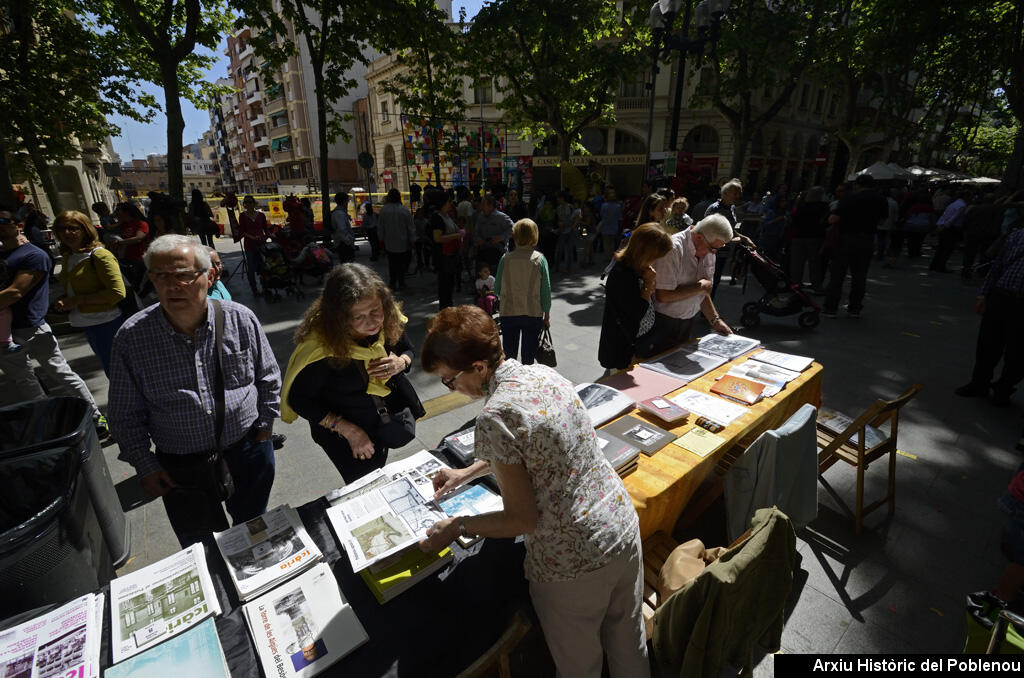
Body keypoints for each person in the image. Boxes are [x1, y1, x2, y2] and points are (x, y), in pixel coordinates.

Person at [419, 305, 650, 678]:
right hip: (621, 528)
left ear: (478, 367)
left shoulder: (494, 416)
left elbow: (522, 519)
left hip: (573, 562)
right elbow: (535, 446)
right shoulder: (542, 374)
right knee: (628, 639)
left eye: (449, 380)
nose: (452, 389)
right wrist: (468, 471)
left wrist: (458, 525)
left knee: (580, 666)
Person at [108, 234, 281, 547]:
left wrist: (266, 426)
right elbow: (123, 415)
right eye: (161, 276)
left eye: (184, 276)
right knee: (201, 545)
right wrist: (145, 465)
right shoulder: (132, 338)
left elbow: (268, 376)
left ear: (210, 275)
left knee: (254, 527)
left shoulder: (240, 319)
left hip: (247, 449)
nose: (173, 286)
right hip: (181, 467)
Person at [280, 264, 424, 483]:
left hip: (382, 421)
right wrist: (348, 431)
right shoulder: (320, 347)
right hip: (345, 436)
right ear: (339, 318)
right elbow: (300, 400)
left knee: (379, 474)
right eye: (359, 317)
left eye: (376, 310)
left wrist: (401, 362)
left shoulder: (388, 318)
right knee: (365, 484)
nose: (372, 321)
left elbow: (407, 349)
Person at [0, 206, 108, 436]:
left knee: (60, 373)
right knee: (24, 382)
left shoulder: (33, 255)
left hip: (31, 327)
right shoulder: (4, 255)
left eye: (3, 220)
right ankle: (50, 425)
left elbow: (15, 292)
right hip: (4, 332)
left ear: (18, 225)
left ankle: (95, 417)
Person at [955, 226, 1024, 407]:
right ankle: (979, 384)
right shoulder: (1017, 235)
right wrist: (983, 294)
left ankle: (1004, 388)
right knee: (987, 344)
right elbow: (997, 267)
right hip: (1001, 297)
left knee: (1018, 353)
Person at [648, 214, 735, 356]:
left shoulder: (709, 248)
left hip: (687, 321)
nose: (713, 253)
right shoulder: (673, 249)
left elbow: (703, 293)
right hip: (662, 323)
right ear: (700, 237)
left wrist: (715, 320)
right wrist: (698, 287)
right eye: (713, 248)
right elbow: (663, 295)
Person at [52, 211, 127, 375]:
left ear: (85, 229)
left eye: (72, 228)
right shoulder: (68, 256)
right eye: (61, 229)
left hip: (107, 322)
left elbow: (117, 293)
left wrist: (78, 300)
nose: (66, 233)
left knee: (119, 372)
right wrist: (65, 300)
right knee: (113, 371)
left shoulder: (100, 255)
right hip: (86, 322)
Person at [598, 223, 672, 370]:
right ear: (644, 253)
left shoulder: (638, 268)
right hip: (624, 348)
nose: (655, 262)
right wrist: (648, 283)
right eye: (654, 258)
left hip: (640, 342)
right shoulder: (622, 274)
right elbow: (636, 312)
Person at [823, 174, 887, 318]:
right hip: (867, 239)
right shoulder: (880, 199)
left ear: (857, 185)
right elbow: (882, 221)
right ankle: (855, 308)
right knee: (859, 276)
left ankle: (830, 308)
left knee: (837, 275)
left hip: (847, 238)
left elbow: (833, 219)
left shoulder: (850, 198)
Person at [495, 219, 551, 365]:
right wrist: (547, 314)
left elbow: (497, 288)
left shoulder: (505, 259)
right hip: (533, 313)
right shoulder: (540, 259)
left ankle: (511, 382)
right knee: (528, 357)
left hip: (509, 312)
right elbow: (545, 289)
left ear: (515, 236)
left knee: (510, 356)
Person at [704, 179, 743, 293]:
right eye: (735, 193)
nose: (738, 196)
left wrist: (745, 239)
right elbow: (707, 233)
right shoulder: (714, 209)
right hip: (711, 253)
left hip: (723, 253)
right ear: (725, 193)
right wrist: (731, 240)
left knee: (714, 284)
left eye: (739, 193)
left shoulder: (732, 208)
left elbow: (731, 229)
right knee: (708, 284)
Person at [789, 186, 830, 291]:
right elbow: (826, 222)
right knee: (815, 263)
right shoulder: (824, 207)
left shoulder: (802, 206)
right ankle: (816, 286)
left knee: (797, 263)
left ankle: (795, 284)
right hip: (815, 238)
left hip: (799, 237)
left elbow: (793, 220)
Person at [429, 188, 463, 309]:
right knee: (445, 289)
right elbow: (437, 238)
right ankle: (445, 313)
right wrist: (457, 235)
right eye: (448, 201)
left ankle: (448, 311)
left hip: (451, 256)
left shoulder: (446, 216)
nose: (450, 203)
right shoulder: (437, 218)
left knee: (449, 288)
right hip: (444, 258)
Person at [378, 188, 416, 290]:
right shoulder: (404, 210)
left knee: (392, 263)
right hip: (403, 242)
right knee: (401, 264)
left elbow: (380, 227)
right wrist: (412, 240)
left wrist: (381, 241)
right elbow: (410, 227)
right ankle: (401, 282)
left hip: (389, 242)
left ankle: (393, 282)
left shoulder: (384, 210)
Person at [234, 195, 269, 296]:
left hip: (261, 243)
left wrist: (266, 237)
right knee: (251, 268)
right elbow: (242, 231)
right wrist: (252, 237)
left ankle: (265, 287)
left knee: (264, 266)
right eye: (246, 202)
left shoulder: (261, 215)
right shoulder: (242, 216)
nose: (248, 204)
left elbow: (266, 230)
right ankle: (254, 290)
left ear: (254, 203)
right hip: (249, 244)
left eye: (250, 202)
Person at [114, 202, 151, 290]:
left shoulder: (141, 223)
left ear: (126, 212)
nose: (116, 212)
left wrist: (120, 242)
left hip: (139, 259)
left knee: (138, 284)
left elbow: (138, 238)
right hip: (126, 259)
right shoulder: (122, 225)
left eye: (118, 210)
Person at [930, 190, 968, 273]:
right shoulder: (962, 205)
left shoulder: (953, 204)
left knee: (941, 247)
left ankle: (934, 265)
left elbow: (945, 214)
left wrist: (939, 224)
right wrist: (944, 226)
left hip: (944, 226)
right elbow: (953, 218)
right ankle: (940, 266)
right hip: (950, 228)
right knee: (947, 249)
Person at [474, 195, 514, 272]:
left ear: (491, 206)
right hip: (483, 253)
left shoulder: (501, 217)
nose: (481, 207)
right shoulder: (480, 217)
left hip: (499, 253)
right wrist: (478, 239)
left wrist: (501, 237)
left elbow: (514, 229)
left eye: (483, 204)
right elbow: (476, 232)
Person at [599, 187, 624, 260]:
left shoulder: (604, 205)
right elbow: (619, 218)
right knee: (612, 243)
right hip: (614, 226)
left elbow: (601, 215)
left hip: (605, 226)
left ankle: (607, 257)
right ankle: (611, 257)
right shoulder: (618, 206)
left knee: (606, 243)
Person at [332, 192, 355, 263]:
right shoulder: (339, 214)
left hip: (343, 242)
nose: (348, 203)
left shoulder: (339, 212)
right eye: (347, 200)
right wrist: (349, 240)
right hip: (344, 244)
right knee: (348, 265)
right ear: (344, 201)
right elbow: (342, 229)